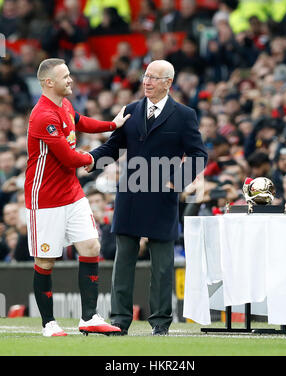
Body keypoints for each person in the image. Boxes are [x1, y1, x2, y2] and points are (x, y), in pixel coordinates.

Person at [85, 60, 208, 335]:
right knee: (123, 261)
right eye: (145, 76)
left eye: (154, 77)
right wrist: (92, 159)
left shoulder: (184, 115)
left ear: (168, 82)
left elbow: (199, 155)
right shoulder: (130, 110)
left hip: (163, 196)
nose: (147, 81)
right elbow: (114, 146)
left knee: (162, 266)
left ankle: (161, 324)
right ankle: (118, 321)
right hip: (130, 194)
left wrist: (176, 181)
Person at [24, 58, 130, 337]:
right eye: (65, 76)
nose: (71, 80)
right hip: (44, 198)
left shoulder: (65, 105)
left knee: (91, 247)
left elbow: (80, 122)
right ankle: (49, 323)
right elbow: (70, 158)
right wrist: (93, 158)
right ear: (49, 83)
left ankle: (89, 318)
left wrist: (111, 124)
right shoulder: (43, 116)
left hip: (72, 193)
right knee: (46, 261)